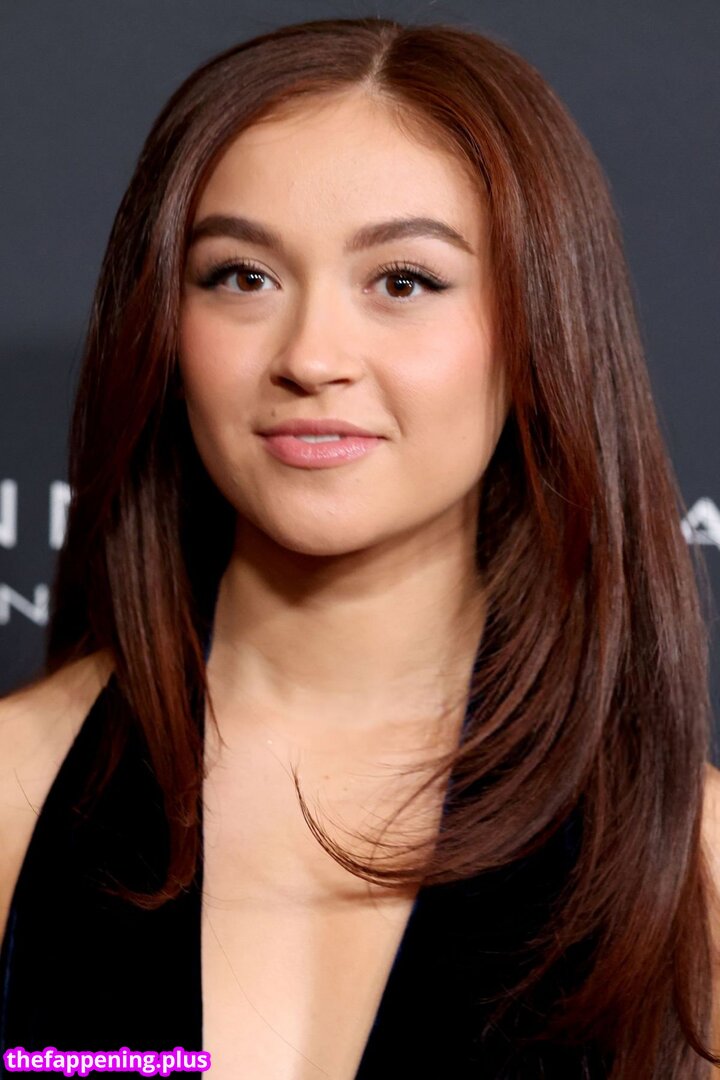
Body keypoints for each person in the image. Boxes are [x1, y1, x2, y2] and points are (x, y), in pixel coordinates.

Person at [0, 15, 718, 1079]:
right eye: (243, 276)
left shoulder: (691, 866)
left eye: (404, 281)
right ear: (162, 324)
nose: (312, 356)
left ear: (540, 329)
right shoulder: (11, 788)